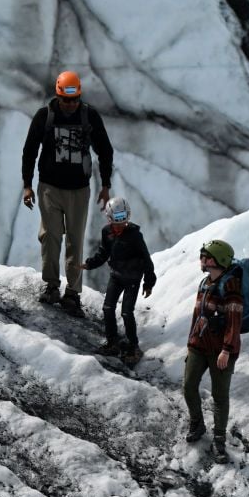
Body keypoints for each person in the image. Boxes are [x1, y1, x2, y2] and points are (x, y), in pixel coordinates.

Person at [21, 70, 114, 316]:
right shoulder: (45, 116)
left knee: (75, 239)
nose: (70, 105)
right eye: (66, 100)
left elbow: (105, 150)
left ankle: (72, 293)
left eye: (74, 100)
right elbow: (29, 149)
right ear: (58, 96)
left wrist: (106, 185)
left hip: (79, 190)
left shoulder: (89, 115)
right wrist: (27, 185)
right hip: (49, 187)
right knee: (50, 237)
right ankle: (51, 285)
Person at [183, 239, 242, 464]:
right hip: (199, 346)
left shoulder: (231, 288)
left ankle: (219, 441)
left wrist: (226, 350)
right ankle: (197, 423)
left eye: (206, 257)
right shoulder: (205, 283)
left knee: (220, 396)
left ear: (218, 260)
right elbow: (197, 317)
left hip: (221, 351)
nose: (202, 260)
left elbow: (234, 324)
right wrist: (191, 344)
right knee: (188, 386)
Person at [81, 197, 155, 364]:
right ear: (109, 217)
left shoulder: (135, 235)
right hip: (116, 276)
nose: (120, 222)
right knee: (107, 308)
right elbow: (103, 253)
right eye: (117, 218)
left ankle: (133, 346)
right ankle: (112, 342)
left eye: (122, 217)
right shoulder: (106, 232)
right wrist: (90, 264)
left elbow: (146, 258)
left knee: (127, 312)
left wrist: (148, 282)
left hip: (133, 279)